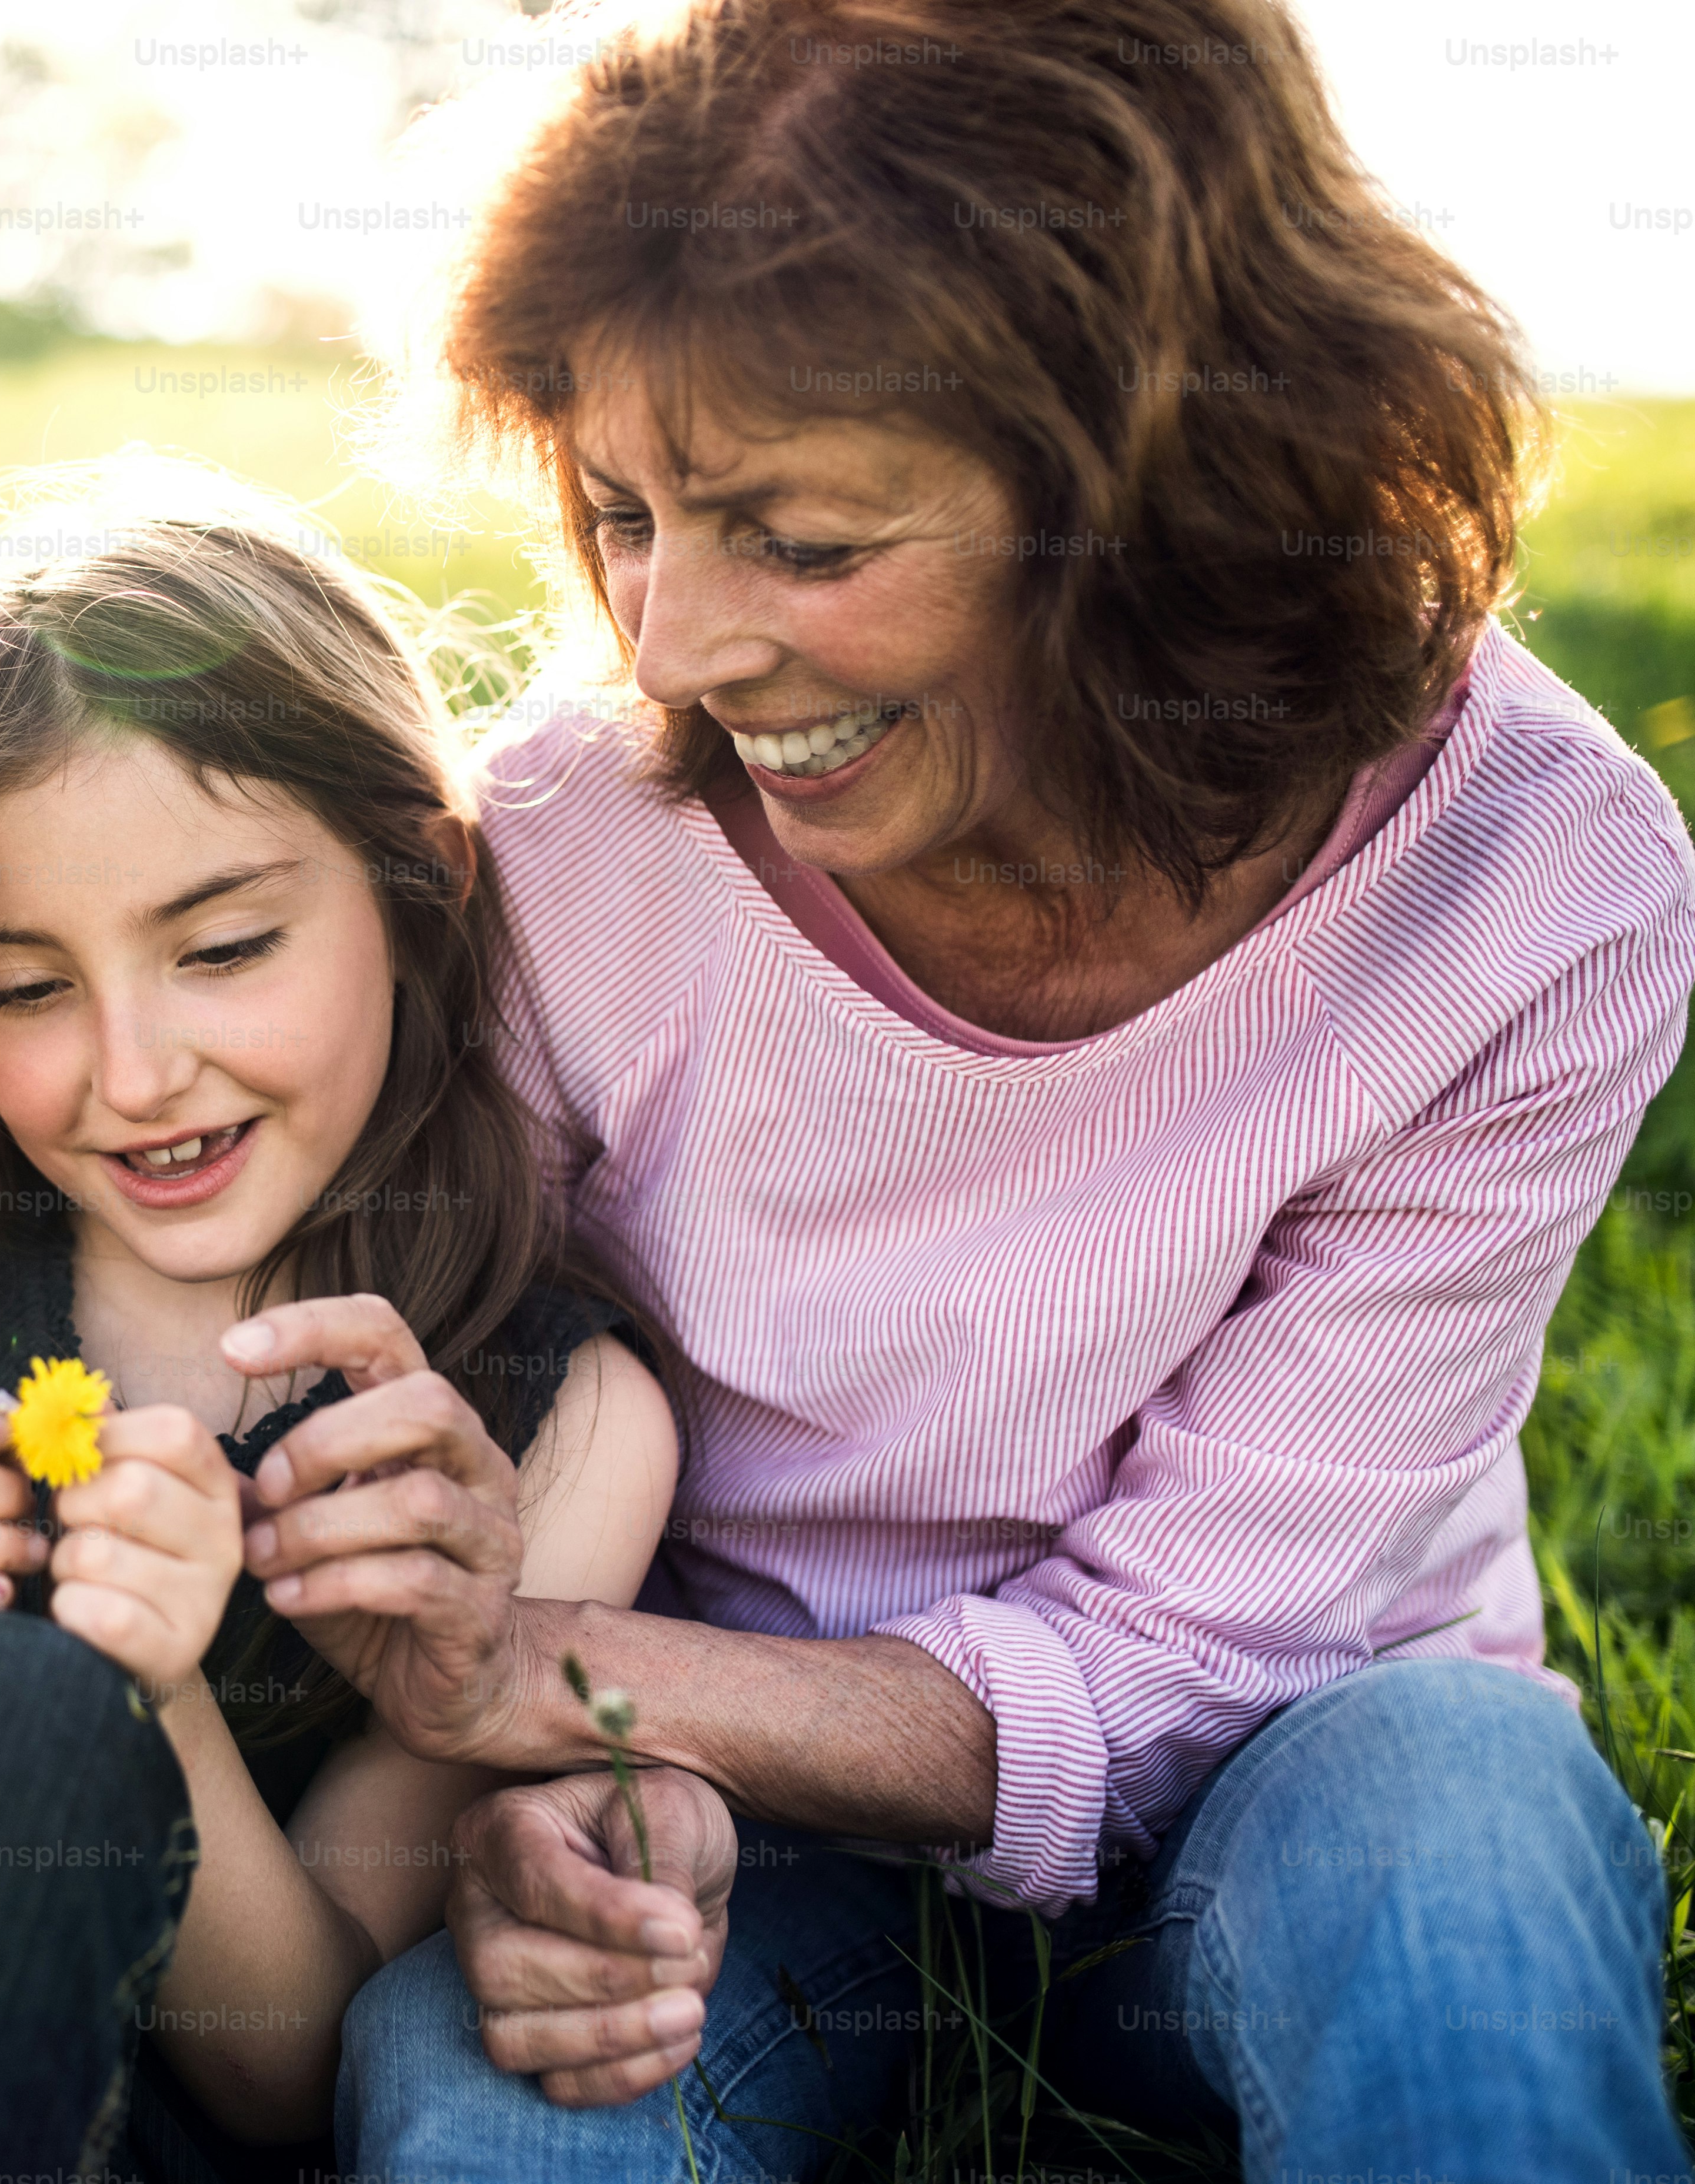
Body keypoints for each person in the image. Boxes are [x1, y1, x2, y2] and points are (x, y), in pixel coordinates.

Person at [296, 2, 1695, 2175]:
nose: (665, 644)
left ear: (1165, 495)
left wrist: (545, 1674)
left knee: (1468, 1833)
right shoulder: (579, 847)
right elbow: (469, 1376)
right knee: (488, 2088)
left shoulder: (1530, 878)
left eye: (802, 542)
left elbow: (1196, 1653)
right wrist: (561, 1787)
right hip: (742, 1818)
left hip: (1302, 1768)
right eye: (622, 511)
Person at [0, 469, 681, 2181]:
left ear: (422, 890)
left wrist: (146, 1687)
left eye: (224, 947)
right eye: (27, 988)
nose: (133, 1071)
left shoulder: (549, 1418)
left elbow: (299, 2068)